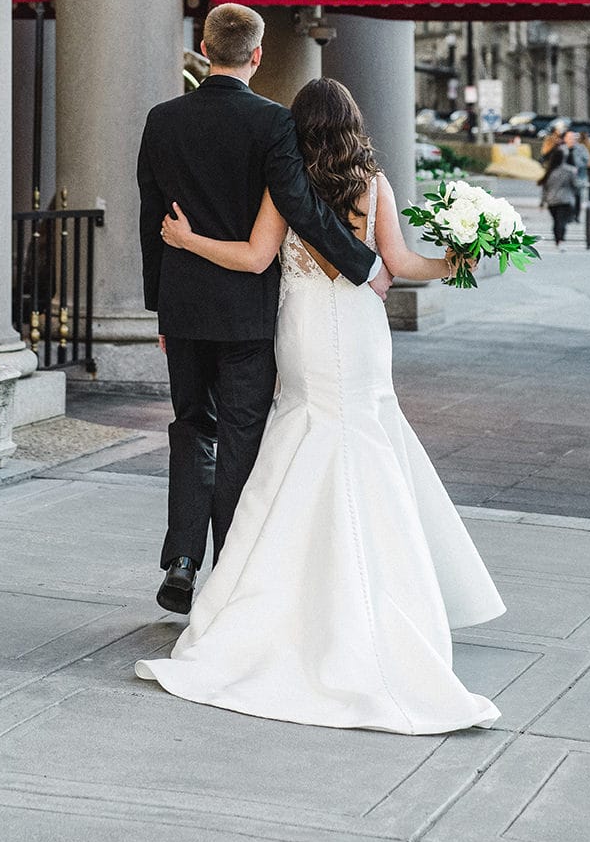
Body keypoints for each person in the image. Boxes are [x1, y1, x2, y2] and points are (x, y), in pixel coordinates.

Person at [135, 77, 503, 734]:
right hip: (361, 333)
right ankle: (387, 598)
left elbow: (252, 260)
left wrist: (184, 242)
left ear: (297, 130)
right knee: (365, 435)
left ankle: (269, 595)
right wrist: (457, 259)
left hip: (304, 332)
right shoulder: (373, 184)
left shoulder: (286, 188)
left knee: (302, 435)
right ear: (353, 125)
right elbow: (398, 264)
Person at [137, 3, 385, 620]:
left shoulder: (162, 120)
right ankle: (232, 574)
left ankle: (182, 560)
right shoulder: (272, 122)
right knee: (242, 439)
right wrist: (363, 264)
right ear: (256, 55)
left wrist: (159, 310)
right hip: (247, 315)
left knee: (193, 426)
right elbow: (299, 207)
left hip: (186, 310)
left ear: (203, 46)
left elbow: (151, 221)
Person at [541, 150, 578, 249]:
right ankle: (561, 239)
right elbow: (575, 184)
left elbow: (545, 188)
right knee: (562, 221)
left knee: (556, 221)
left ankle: (557, 239)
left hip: (551, 200)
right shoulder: (569, 171)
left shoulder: (549, 171)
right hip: (565, 199)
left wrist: (543, 201)